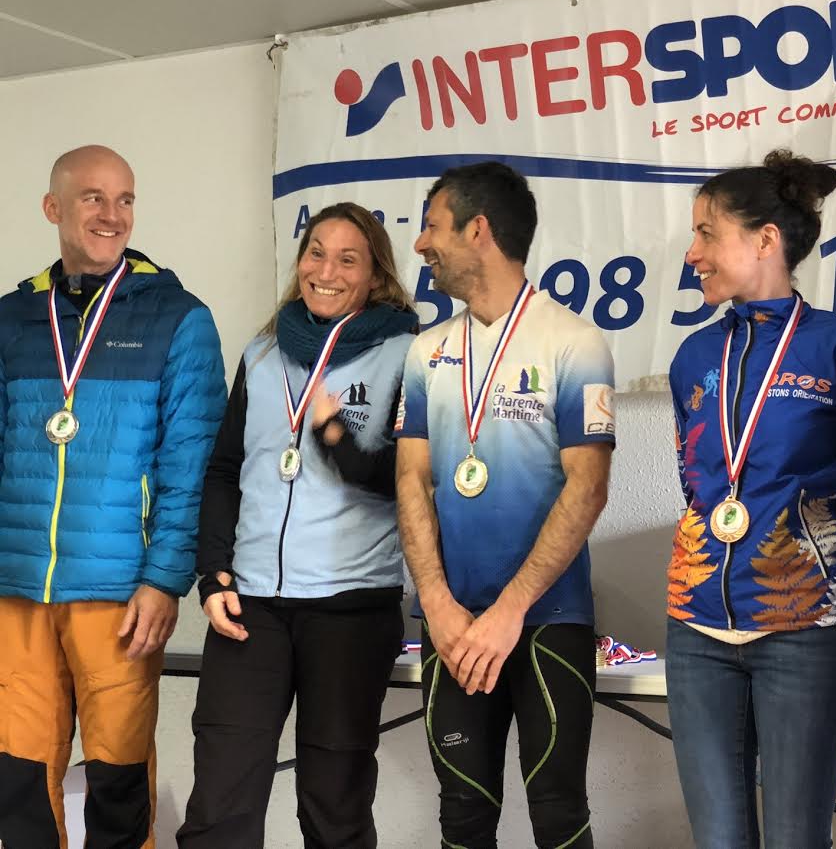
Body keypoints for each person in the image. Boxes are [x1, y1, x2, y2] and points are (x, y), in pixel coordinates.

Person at [0, 145, 226, 848]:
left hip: (121, 592)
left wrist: (164, 580)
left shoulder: (178, 318)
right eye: (93, 197)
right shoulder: (12, 317)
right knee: (16, 778)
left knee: (117, 781)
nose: (112, 214)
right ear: (53, 207)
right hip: (16, 586)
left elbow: (192, 466)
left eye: (125, 199)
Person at [176, 203, 419, 848]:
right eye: (316, 252)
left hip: (349, 607)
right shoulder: (262, 352)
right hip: (249, 605)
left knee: (334, 808)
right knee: (220, 802)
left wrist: (335, 436)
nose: (326, 271)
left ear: (375, 275)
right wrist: (213, 573)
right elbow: (225, 470)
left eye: (348, 259)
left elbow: (409, 478)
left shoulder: (409, 354)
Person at [665, 149, 836, 849]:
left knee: (796, 839)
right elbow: (696, 484)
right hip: (696, 631)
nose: (692, 253)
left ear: (765, 240)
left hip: (807, 632)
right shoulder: (694, 358)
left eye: (706, 233)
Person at [396, 161, 615, 849]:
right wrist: (436, 603)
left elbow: (589, 487)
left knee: (558, 813)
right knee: (462, 815)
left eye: (433, 226)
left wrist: (510, 610)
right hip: (453, 624)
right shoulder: (427, 351)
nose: (420, 244)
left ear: (478, 230)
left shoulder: (574, 343)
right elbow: (412, 480)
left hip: (547, 620)